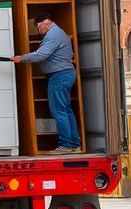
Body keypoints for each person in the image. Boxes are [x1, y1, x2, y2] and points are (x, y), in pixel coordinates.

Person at [12, 13, 81, 153]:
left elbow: (41, 55)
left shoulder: (53, 35)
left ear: (47, 22)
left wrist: (22, 58)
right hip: (65, 74)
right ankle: (74, 143)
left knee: (59, 110)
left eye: (39, 26)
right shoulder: (59, 33)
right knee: (66, 110)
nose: (38, 30)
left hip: (59, 76)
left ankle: (66, 145)